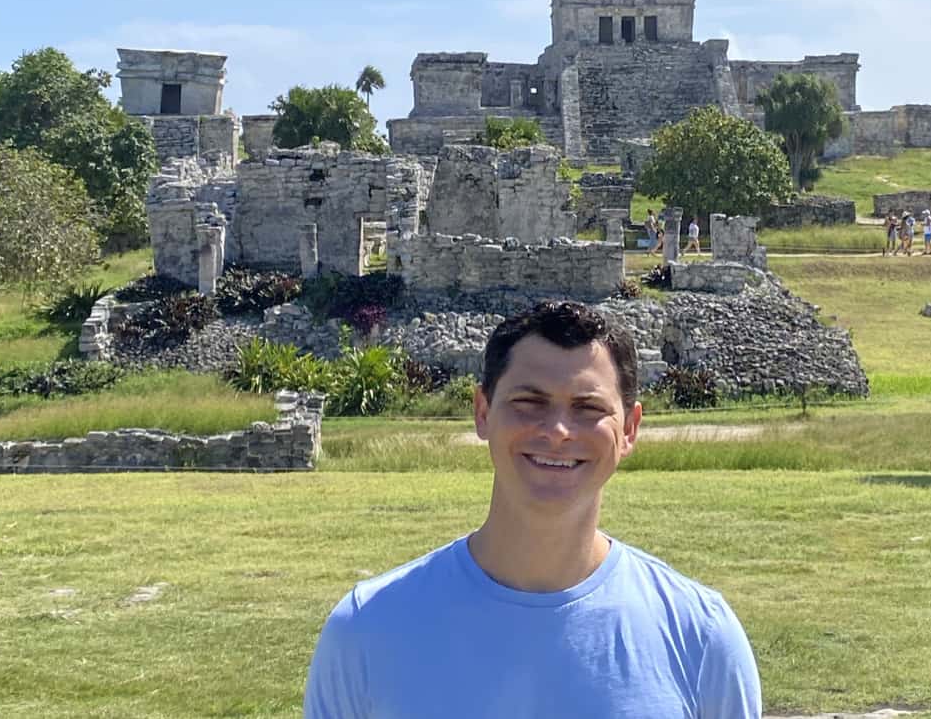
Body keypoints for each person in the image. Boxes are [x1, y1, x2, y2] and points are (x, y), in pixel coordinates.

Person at [304, 302, 762, 718]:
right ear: (482, 412)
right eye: (529, 402)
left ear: (630, 429)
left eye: (588, 408)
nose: (558, 430)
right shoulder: (367, 629)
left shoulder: (701, 639)